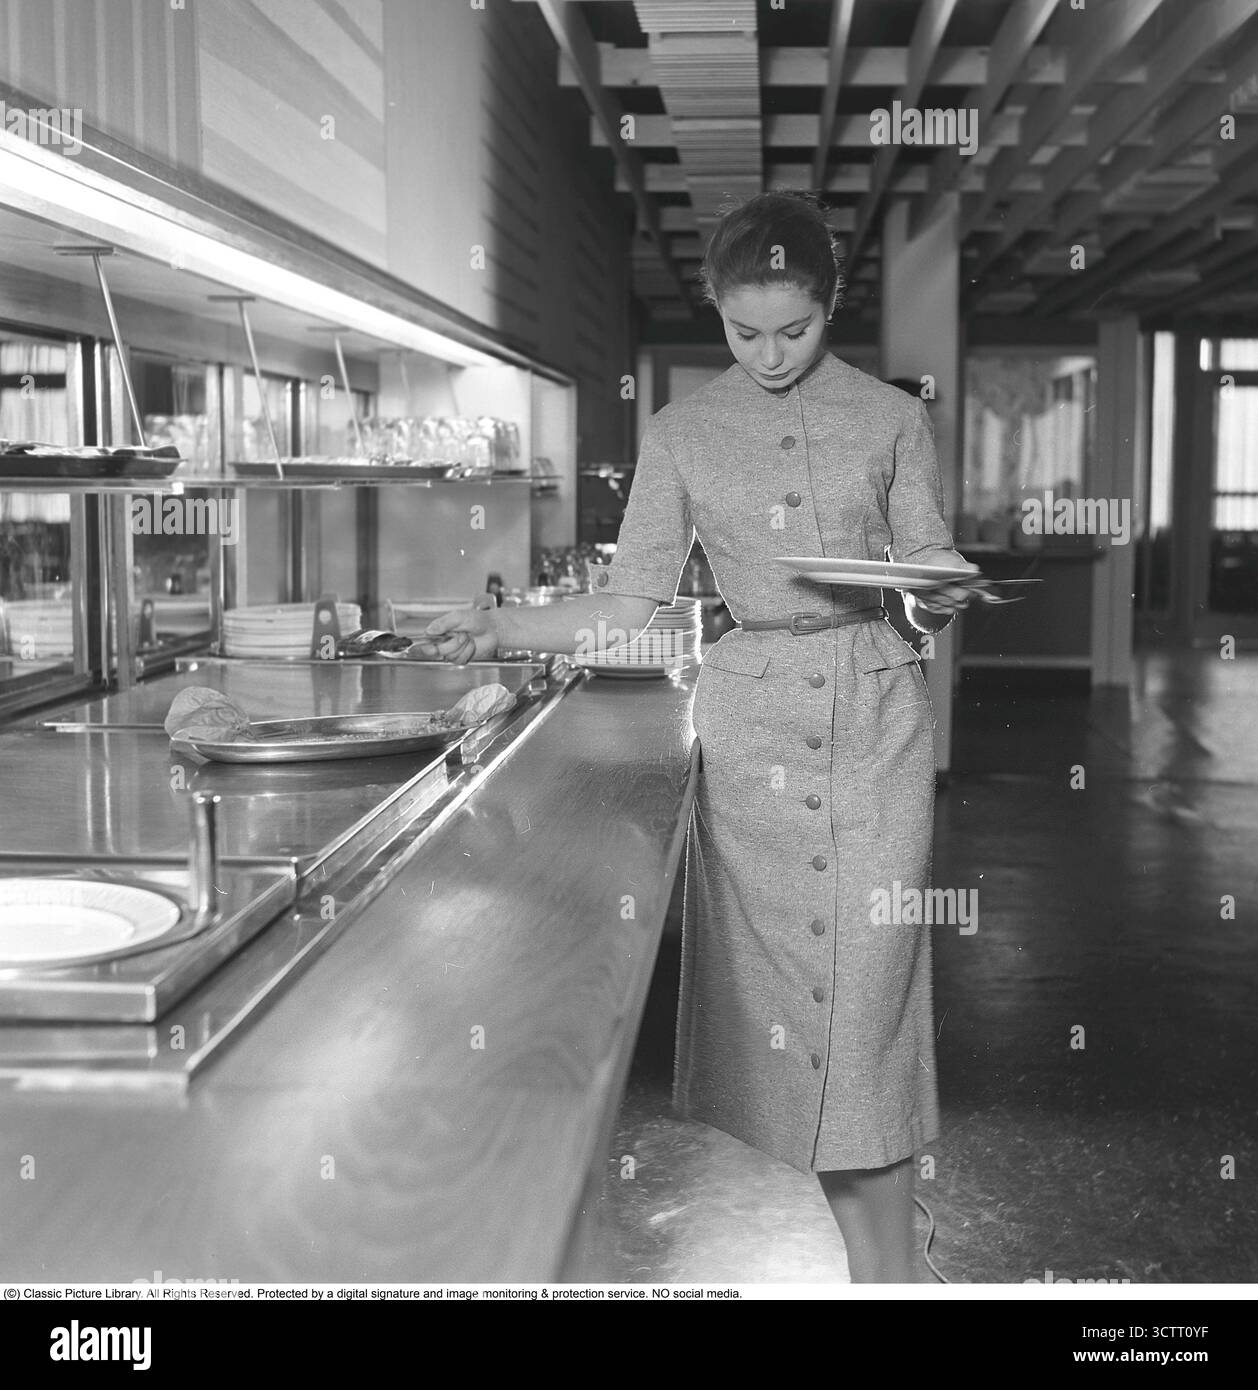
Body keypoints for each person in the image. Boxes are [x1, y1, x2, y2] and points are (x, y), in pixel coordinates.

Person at [419, 191, 980, 1283]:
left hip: (875, 721)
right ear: (717, 310)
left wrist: (935, 590)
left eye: (794, 329)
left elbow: (924, 565)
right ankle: (893, 1254)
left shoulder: (892, 419)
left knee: (867, 1011)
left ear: (831, 308)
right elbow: (632, 598)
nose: (769, 355)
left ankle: (889, 1274)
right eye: (743, 330)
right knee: (801, 1032)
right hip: (751, 727)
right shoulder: (679, 433)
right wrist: (497, 626)